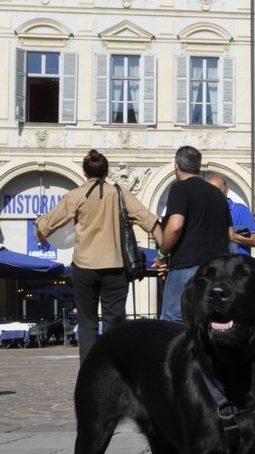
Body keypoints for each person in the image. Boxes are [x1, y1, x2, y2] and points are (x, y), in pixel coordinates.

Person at [34, 149, 162, 363]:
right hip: (115, 267)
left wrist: (40, 233)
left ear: (85, 172)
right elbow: (149, 221)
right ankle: (114, 369)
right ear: (107, 171)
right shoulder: (120, 193)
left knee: (87, 323)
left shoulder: (76, 195)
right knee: (115, 322)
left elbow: (46, 225)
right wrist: (164, 252)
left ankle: (88, 372)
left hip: (84, 267)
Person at [157, 146, 232, 324]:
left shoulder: (180, 188)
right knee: (208, 319)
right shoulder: (218, 195)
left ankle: (178, 352)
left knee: (172, 319)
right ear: (198, 166)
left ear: (176, 166)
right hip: (216, 269)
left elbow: (175, 227)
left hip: (186, 265)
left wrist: (162, 253)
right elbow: (230, 234)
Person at [204, 171, 255, 256]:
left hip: (237, 265)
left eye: (217, 190)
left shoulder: (241, 210)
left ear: (226, 190)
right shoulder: (203, 211)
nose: (213, 194)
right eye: (210, 191)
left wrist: (232, 236)